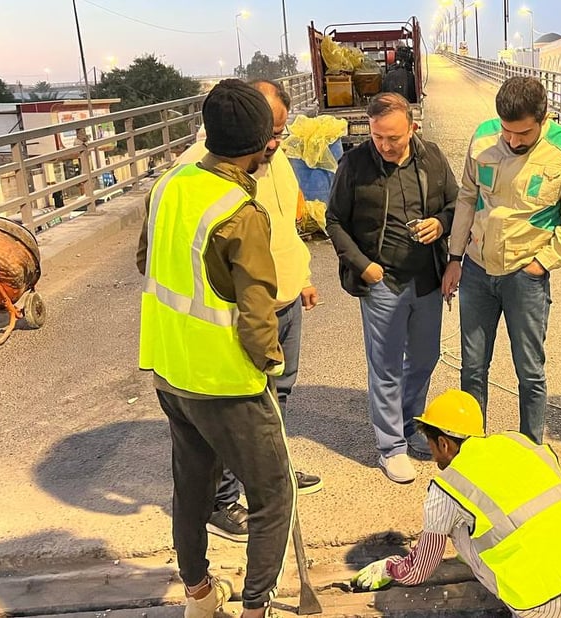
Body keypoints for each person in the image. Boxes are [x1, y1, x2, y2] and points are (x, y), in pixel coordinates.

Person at [137, 79, 296, 618]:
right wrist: (272, 360)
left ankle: (199, 595)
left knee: (193, 487)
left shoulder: (169, 184)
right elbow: (257, 317)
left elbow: (147, 260)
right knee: (274, 495)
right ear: (262, 142)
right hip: (226, 382)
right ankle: (257, 609)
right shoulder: (240, 213)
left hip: (170, 371)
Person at [350, 389, 561, 618]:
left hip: (542, 603)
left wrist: (390, 567)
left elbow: (421, 569)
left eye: (431, 446)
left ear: (444, 443)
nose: (433, 455)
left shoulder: (448, 487)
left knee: (454, 526)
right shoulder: (517, 443)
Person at [442, 76, 561, 444]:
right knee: (473, 367)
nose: (512, 141)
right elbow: (467, 198)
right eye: (507, 132)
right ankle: (471, 445)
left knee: (530, 372)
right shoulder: (483, 138)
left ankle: (531, 450)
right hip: (478, 271)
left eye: (523, 133)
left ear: (543, 118)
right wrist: (454, 257)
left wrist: (542, 263)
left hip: (525, 275)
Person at [325, 92, 458, 484]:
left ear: (412, 128)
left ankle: (407, 425)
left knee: (424, 357)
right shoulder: (354, 164)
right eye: (378, 136)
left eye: (394, 138)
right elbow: (333, 221)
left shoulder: (431, 157)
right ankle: (390, 447)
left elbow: (456, 204)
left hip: (426, 279)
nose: (385, 145)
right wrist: (362, 266)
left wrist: (441, 224)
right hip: (381, 281)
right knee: (384, 366)